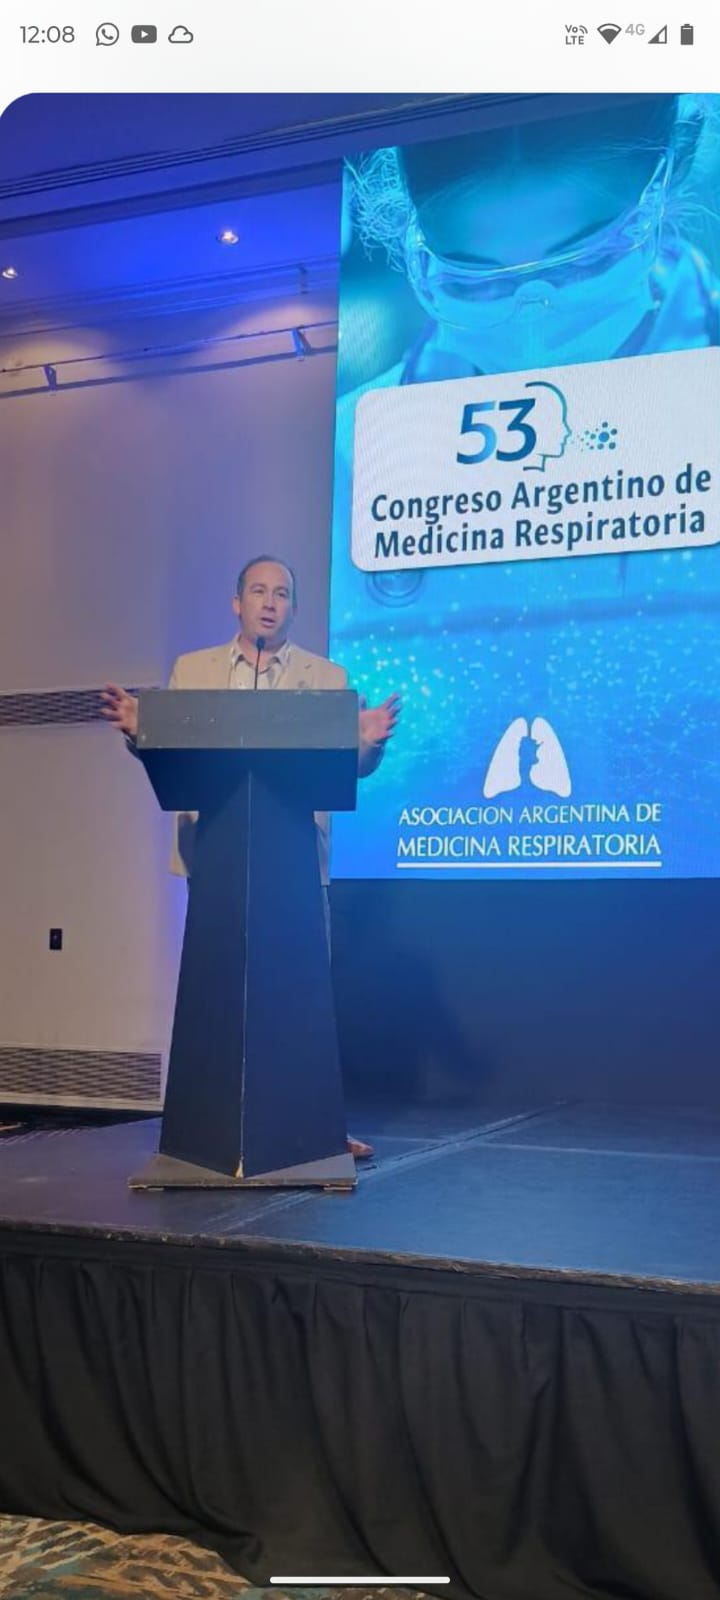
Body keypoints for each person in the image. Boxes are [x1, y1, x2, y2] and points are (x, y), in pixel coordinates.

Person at [102, 555, 400, 1160]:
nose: (270, 602)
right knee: (220, 999)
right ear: (236, 603)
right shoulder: (193, 670)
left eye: (282, 593)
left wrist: (367, 745)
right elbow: (173, 752)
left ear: (293, 608)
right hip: (218, 860)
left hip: (294, 866)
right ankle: (203, 1132)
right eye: (258, 592)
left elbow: (349, 765)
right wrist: (141, 730)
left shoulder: (326, 676)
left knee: (297, 1001)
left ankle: (317, 1129)